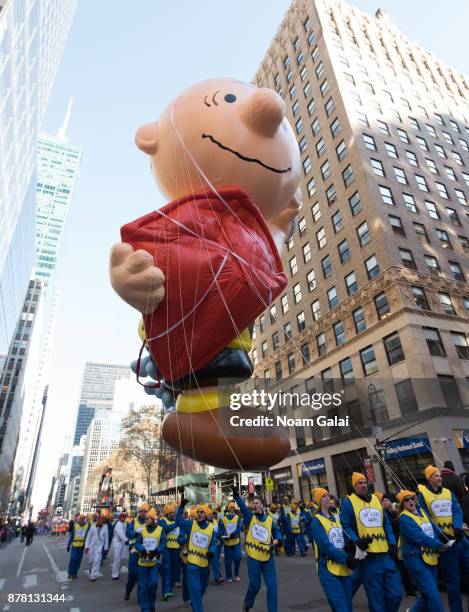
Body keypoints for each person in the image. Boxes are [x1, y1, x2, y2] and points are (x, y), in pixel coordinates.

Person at [340, 472, 403, 612]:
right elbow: (345, 526)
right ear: (354, 486)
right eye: (359, 483)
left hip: (385, 554)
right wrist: (357, 541)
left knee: (396, 594)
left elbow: (385, 523)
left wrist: (392, 542)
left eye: (364, 482)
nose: (363, 485)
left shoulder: (375, 499)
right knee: (376, 600)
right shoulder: (348, 502)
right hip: (368, 557)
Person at [417, 465, 469, 612]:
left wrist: (457, 526)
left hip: (460, 539)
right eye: (436, 476)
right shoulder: (423, 495)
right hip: (446, 544)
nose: (440, 478)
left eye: (440, 475)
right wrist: (439, 533)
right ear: (429, 479)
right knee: (453, 582)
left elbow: (457, 510)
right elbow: (425, 518)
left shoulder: (448, 492)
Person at [397, 489, 448, 612]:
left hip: (430, 557)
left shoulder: (422, 512)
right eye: (406, 500)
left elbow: (433, 531)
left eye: (412, 498)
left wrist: (440, 541)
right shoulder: (404, 518)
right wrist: (440, 545)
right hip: (415, 559)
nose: (410, 501)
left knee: (427, 594)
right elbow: (420, 538)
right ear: (402, 504)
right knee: (433, 595)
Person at [233, 485, 281, 612]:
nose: (254, 505)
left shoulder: (270, 520)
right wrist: (236, 495)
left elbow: (277, 533)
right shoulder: (250, 517)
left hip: (268, 557)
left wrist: (276, 541)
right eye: (253, 503)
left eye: (257, 503)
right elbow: (243, 507)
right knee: (255, 585)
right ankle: (247, 603)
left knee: (272, 586)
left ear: (261, 506)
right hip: (253, 556)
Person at [310, 488, 355, 612]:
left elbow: (343, 539)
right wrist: (346, 558)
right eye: (324, 496)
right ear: (319, 501)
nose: (327, 498)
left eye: (328, 495)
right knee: (341, 607)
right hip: (327, 568)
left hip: (343, 568)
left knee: (348, 606)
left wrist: (353, 548)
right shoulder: (316, 521)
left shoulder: (336, 518)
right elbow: (325, 546)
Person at [175, 496, 217, 612]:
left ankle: (194, 603)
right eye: (198, 512)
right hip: (192, 562)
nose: (198, 514)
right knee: (195, 588)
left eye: (201, 512)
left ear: (206, 514)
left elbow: (213, 543)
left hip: (205, 564)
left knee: (202, 588)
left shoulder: (211, 529)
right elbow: (178, 521)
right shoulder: (190, 524)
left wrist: (211, 552)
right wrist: (181, 506)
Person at [135, 507, 166, 612]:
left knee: (153, 584)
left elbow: (163, 543)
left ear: (152, 519)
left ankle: (151, 604)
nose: (145, 520)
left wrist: (158, 550)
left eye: (148, 518)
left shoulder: (160, 530)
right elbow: (138, 543)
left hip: (154, 563)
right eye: (145, 518)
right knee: (143, 587)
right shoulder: (142, 530)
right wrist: (142, 549)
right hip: (142, 563)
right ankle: (145, 608)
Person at [125, 502, 149, 601]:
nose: (143, 513)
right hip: (134, 552)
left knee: (142, 575)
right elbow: (128, 532)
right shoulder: (134, 522)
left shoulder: (149, 522)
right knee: (133, 574)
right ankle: (128, 591)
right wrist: (135, 534)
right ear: (139, 512)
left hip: (144, 552)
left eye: (145, 511)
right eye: (142, 511)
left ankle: (141, 597)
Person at [159, 502, 181, 600]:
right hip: (167, 549)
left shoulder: (176, 521)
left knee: (175, 567)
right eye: (172, 513)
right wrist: (176, 524)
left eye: (174, 513)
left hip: (176, 548)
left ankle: (173, 582)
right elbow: (165, 529)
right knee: (166, 570)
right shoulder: (162, 521)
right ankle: (167, 591)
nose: (174, 514)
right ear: (167, 514)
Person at [219, 502, 242, 582]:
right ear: (228, 509)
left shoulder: (237, 518)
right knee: (228, 560)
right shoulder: (224, 518)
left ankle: (236, 573)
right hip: (227, 543)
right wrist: (225, 535)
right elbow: (221, 528)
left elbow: (239, 528)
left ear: (234, 509)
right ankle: (229, 576)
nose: (232, 509)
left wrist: (233, 534)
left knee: (238, 557)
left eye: (233, 508)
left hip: (236, 542)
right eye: (230, 508)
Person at [85, 515, 109, 582]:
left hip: (99, 546)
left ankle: (93, 575)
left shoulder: (105, 528)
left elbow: (106, 538)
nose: (100, 522)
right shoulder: (92, 527)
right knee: (91, 560)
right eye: (99, 520)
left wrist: (106, 548)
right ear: (97, 520)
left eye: (102, 520)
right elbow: (88, 537)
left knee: (97, 560)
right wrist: (86, 546)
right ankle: (91, 568)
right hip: (91, 546)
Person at [67, 514, 89, 579]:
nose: (82, 520)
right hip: (75, 545)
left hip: (81, 546)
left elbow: (88, 537)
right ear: (79, 520)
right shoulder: (75, 526)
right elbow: (71, 536)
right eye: (81, 519)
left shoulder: (87, 526)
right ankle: (70, 573)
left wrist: (87, 546)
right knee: (73, 559)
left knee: (78, 561)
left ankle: (74, 573)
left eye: (83, 519)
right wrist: (68, 545)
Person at [207, 506, 224, 584]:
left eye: (212, 514)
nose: (211, 515)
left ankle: (218, 577)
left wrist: (220, 537)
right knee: (207, 563)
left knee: (215, 561)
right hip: (207, 547)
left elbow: (219, 531)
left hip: (216, 545)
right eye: (209, 514)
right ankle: (204, 577)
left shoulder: (215, 521)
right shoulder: (205, 523)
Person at [111, 513, 128, 580]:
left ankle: (117, 570)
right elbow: (120, 533)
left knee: (122, 557)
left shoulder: (124, 524)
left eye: (124, 517)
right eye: (122, 517)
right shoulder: (118, 524)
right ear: (119, 518)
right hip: (117, 542)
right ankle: (114, 575)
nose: (123, 518)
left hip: (122, 543)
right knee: (117, 558)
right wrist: (125, 540)